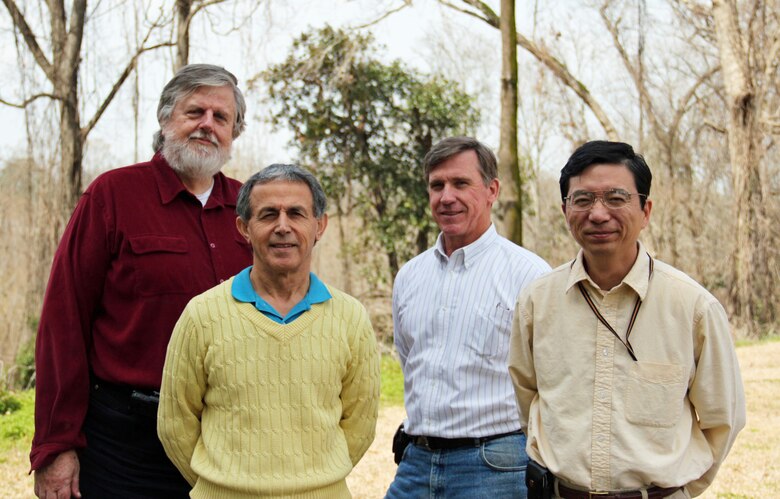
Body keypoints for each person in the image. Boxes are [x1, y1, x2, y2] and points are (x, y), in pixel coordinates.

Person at [30, 64, 253, 498]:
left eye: (221, 117)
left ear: (233, 133)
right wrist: (56, 445)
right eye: (195, 112)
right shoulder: (112, 195)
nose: (207, 125)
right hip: (125, 447)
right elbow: (64, 320)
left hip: (227, 441)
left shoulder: (250, 210)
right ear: (166, 118)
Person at [508, 140, 746, 499]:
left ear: (646, 210)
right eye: (583, 200)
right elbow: (529, 398)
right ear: (564, 210)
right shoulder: (536, 303)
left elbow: (723, 419)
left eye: (616, 198)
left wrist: (675, 491)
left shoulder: (693, 306)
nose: (598, 214)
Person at [157, 163, 380, 498]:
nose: (282, 226)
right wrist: (223, 484)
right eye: (267, 215)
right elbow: (176, 424)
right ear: (244, 227)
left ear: (320, 225)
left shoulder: (350, 318)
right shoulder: (202, 315)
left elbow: (360, 424)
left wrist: (316, 481)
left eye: (296, 213)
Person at [386, 136, 551, 498]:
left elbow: (552, 382)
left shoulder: (530, 276)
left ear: (492, 190)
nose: (447, 197)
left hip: (495, 467)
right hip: (415, 462)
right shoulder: (410, 276)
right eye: (437, 185)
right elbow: (409, 360)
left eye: (461, 183)